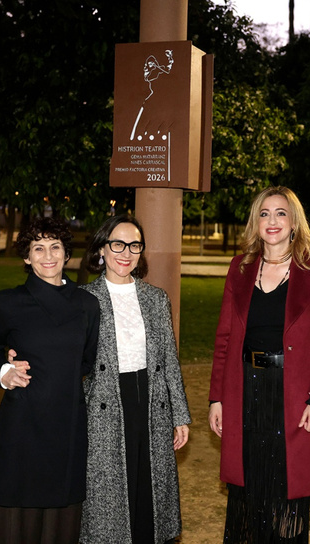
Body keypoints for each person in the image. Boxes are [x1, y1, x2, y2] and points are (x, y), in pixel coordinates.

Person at [209, 186, 310, 543]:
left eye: (281, 213)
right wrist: (216, 398)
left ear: (294, 222)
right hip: (245, 394)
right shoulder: (240, 268)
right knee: (249, 498)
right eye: (264, 213)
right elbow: (224, 339)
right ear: (255, 221)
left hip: (294, 398)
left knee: (286, 501)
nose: (272, 221)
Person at [0, 216, 100, 544]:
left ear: (66, 253)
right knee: (16, 519)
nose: (48, 255)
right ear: (26, 257)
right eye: (38, 248)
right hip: (22, 424)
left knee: (60, 523)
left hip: (67, 424)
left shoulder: (87, 305)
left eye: (55, 246)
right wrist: (5, 372)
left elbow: (87, 360)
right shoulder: (8, 302)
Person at [78, 214, 191, 544]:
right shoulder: (84, 300)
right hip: (104, 406)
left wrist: (179, 415)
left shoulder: (156, 298)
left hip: (150, 403)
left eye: (134, 245)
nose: (125, 252)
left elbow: (169, 359)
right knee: (109, 494)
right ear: (102, 248)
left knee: (150, 488)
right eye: (118, 244)